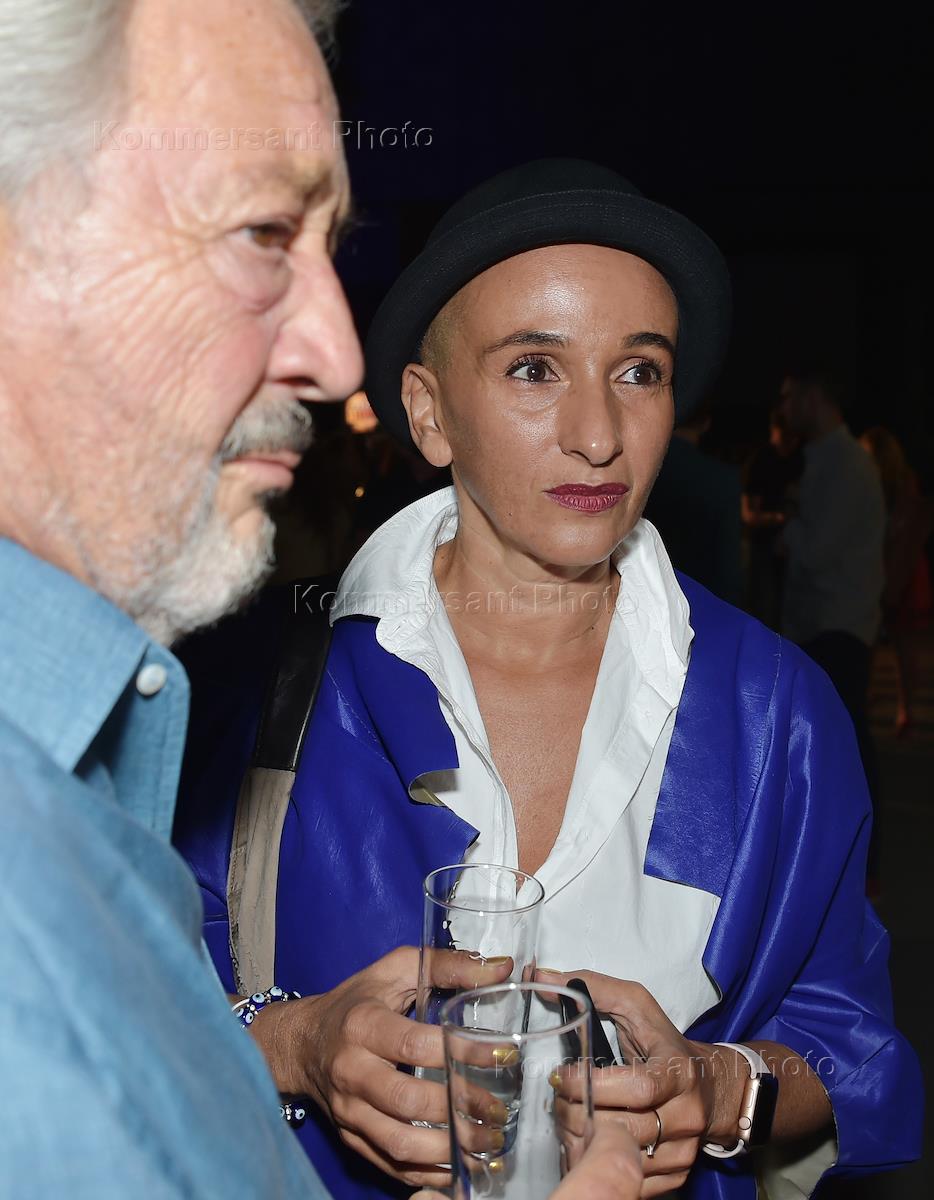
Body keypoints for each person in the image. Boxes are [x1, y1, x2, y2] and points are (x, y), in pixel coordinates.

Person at [178, 160, 923, 1199]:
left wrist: (722, 1088)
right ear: (429, 413)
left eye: (639, 371)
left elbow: (844, 1039)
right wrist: (297, 1045)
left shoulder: (777, 713)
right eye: (534, 368)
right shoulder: (253, 688)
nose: (599, 435)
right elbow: (97, 997)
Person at [0, 3, 639, 1197]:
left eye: (641, 370)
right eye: (260, 233)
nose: (338, 357)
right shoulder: (249, 702)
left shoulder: (105, 743)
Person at [777, 367, 886, 876]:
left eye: (789, 396)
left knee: (846, 750)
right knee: (832, 749)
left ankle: (863, 867)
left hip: (838, 625)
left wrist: (784, 528)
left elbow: (817, 551)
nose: (783, 408)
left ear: (814, 397)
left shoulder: (845, 463)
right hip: (824, 623)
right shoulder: (827, 458)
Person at [860, 426, 933, 736]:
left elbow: (906, 533)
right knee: (873, 637)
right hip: (882, 567)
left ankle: (906, 707)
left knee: (904, 642)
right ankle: (871, 695)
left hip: (904, 570)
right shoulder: (870, 484)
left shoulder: (902, 487)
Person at [644, 400, 744, 605]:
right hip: (702, 604)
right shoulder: (723, 480)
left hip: (645, 596)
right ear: (706, 423)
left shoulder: (642, 471)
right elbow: (729, 566)